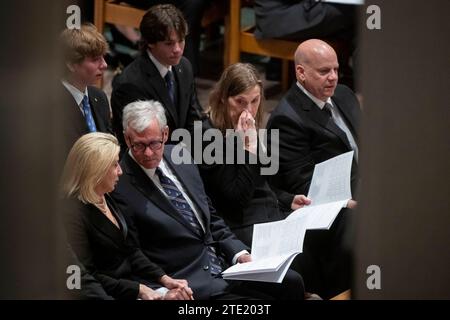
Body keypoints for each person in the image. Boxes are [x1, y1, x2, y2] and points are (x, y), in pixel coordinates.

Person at [112, 100, 305, 300]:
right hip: (188, 283)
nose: (149, 153)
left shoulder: (180, 155)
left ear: (165, 134)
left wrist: (239, 254)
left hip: (226, 266)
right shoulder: (119, 184)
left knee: (292, 282)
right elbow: (132, 253)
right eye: (139, 145)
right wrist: (160, 290)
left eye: (154, 143)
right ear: (127, 139)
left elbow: (211, 217)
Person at [266, 39, 360, 298]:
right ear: (301, 73)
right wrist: (348, 201)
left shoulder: (344, 94)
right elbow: (302, 183)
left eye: (336, 69)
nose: (333, 78)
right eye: (324, 71)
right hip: (329, 205)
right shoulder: (287, 119)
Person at [61, 132, 193, 300]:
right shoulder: (71, 214)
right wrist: (139, 289)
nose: (120, 171)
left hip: (134, 284)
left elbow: (130, 250)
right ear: (96, 170)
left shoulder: (107, 196)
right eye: (115, 164)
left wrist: (164, 279)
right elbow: (87, 276)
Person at [198, 62, 311, 246]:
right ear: (223, 98)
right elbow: (236, 199)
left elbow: (259, 182)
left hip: (268, 211)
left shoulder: (248, 125)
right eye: (240, 101)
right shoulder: (207, 137)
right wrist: (248, 148)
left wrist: (286, 199)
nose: (248, 111)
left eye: (254, 101)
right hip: (242, 225)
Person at [111, 4, 204, 151]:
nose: (178, 50)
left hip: (183, 152)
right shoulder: (130, 85)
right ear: (150, 43)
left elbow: (194, 117)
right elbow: (141, 145)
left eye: (181, 41)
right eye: (169, 43)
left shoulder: (184, 66)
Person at [58, 23, 113, 153]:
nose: (104, 65)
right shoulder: (52, 106)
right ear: (71, 64)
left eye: (103, 57)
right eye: (95, 60)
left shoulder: (99, 97)